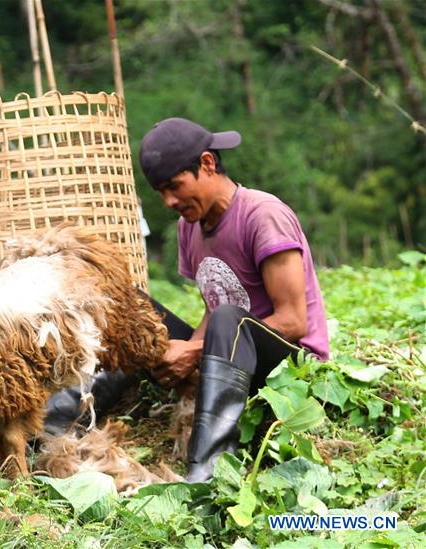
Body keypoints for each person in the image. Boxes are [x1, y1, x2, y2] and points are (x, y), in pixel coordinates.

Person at [45, 117, 329, 483]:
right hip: (230, 357)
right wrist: (180, 351)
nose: (169, 201)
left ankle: (208, 470)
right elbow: (216, 306)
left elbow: (293, 321)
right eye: (160, 191)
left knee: (230, 318)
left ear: (207, 164)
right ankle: (51, 425)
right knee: (130, 309)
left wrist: (195, 352)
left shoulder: (263, 215)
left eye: (175, 186)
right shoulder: (189, 227)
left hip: (292, 368)